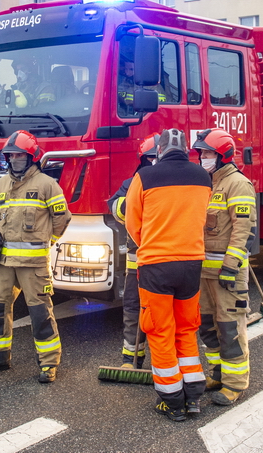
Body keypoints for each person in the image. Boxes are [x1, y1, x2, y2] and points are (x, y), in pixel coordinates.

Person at [125, 128, 213, 421]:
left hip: (156, 265)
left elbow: (133, 222)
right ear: (187, 149)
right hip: (191, 263)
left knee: (160, 330)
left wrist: (149, 243)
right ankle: (193, 396)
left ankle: (172, 400)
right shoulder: (203, 177)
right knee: (186, 328)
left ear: (159, 151)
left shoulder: (145, 177)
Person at [0, 130, 71, 383]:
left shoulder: (47, 184)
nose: (15, 158)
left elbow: (62, 218)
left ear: (32, 157)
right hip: (4, 262)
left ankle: (49, 363)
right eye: (11, 155)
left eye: (20, 154)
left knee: (40, 312)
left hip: (33, 265)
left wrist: (48, 242)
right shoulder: (1, 184)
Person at [193, 128, 257, 406]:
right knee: (207, 327)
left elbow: (243, 230)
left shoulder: (237, 184)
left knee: (230, 328)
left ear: (222, 155)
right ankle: (217, 373)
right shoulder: (208, 183)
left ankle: (234, 384)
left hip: (226, 275)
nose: (202, 158)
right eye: (202, 154)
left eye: (207, 153)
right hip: (204, 274)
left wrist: (231, 267)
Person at [107, 134, 159, 369]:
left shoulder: (173, 186)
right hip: (136, 260)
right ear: (143, 159)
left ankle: (163, 362)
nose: (154, 162)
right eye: (150, 158)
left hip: (162, 260)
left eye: (158, 157)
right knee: (132, 308)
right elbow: (116, 209)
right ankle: (131, 359)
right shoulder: (131, 184)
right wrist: (135, 203)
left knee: (161, 312)